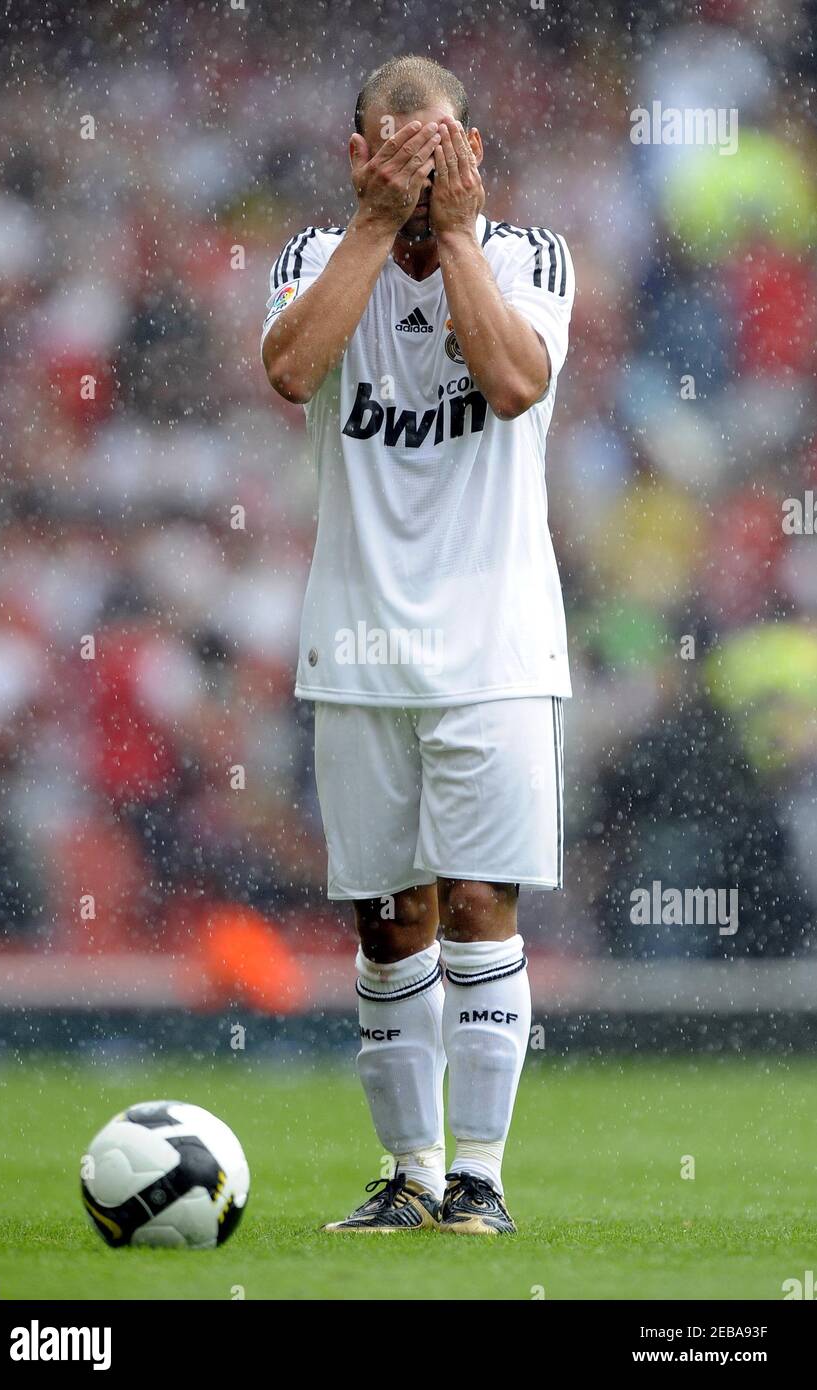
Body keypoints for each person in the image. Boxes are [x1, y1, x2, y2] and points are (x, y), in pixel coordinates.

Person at [261, 55, 574, 1235]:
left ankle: (481, 1180)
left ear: (474, 152)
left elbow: (507, 380)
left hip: (495, 642)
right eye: (399, 146)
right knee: (388, 919)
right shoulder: (310, 258)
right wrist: (376, 221)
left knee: (480, 899)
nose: (421, 165)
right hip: (357, 645)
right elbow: (290, 368)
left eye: (440, 145)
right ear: (358, 153)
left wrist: (452, 234)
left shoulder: (530, 257)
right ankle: (409, 1171)